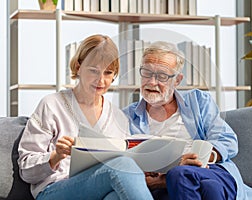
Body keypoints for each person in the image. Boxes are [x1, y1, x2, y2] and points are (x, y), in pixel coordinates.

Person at [123, 41, 252, 200]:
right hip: (170, 186)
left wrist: (202, 158)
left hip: (210, 171)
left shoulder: (198, 101)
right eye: (147, 73)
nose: (152, 82)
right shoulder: (127, 117)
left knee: (184, 175)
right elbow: (123, 160)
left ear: (177, 80)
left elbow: (226, 139)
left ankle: (174, 178)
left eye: (162, 76)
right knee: (208, 188)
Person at [18, 34, 153, 200]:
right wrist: (56, 156)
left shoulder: (118, 117)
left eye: (108, 73)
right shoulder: (51, 105)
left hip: (99, 189)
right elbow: (26, 170)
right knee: (122, 165)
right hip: (53, 191)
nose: (101, 80)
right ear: (78, 67)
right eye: (93, 71)